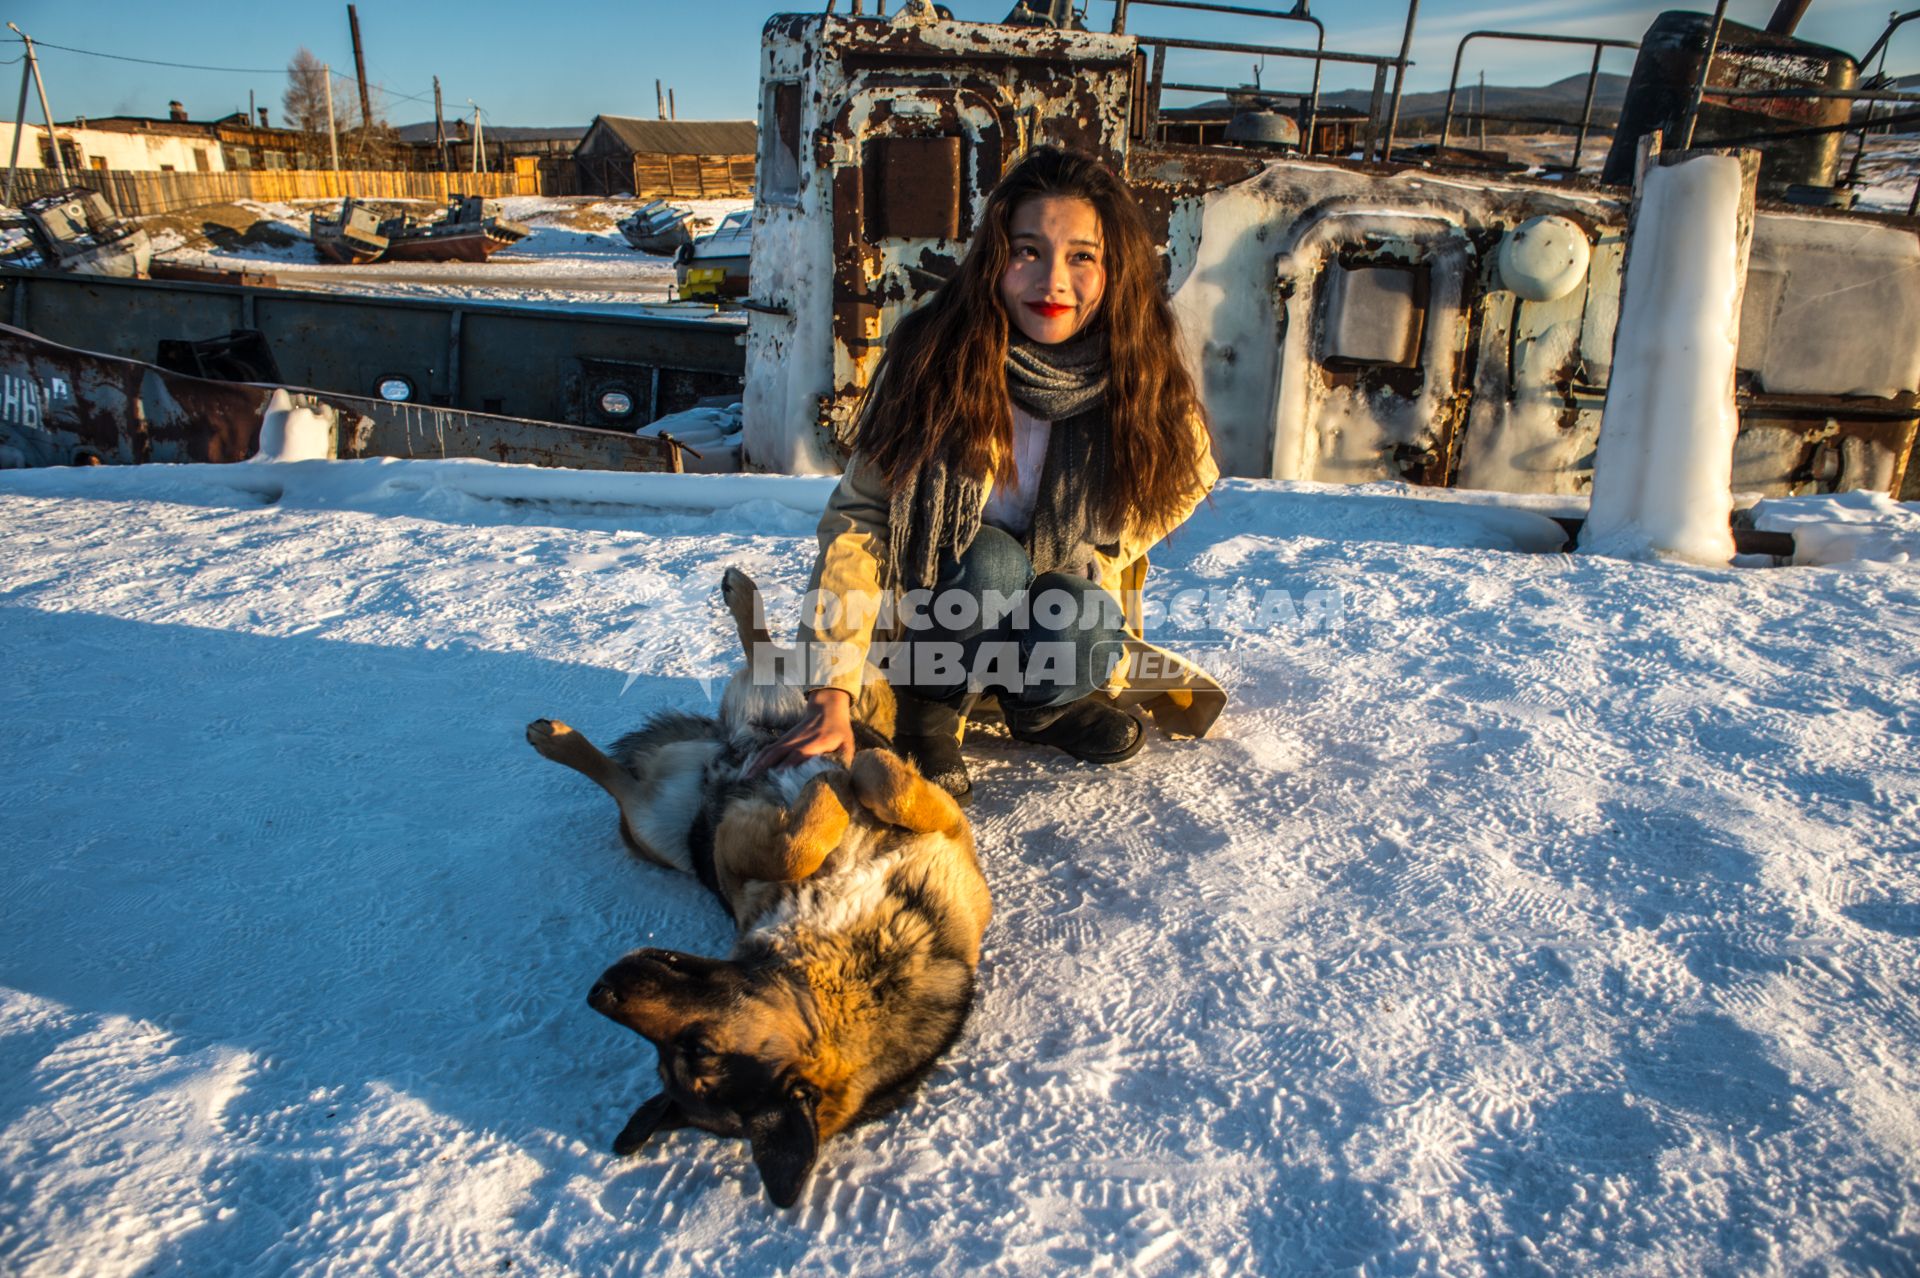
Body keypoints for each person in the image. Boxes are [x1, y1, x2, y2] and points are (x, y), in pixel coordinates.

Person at [751, 146, 1226, 801]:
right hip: (937, 621)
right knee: (993, 561)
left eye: (1081, 256)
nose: (1053, 281)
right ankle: (930, 710)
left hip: (1046, 618)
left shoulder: (1133, 373)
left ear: (1113, 269)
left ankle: (1047, 708)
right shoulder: (937, 364)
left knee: (1083, 604)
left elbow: (1193, 471)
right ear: (993, 260)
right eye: (1027, 250)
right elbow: (859, 522)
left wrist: (1107, 550)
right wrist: (830, 686)